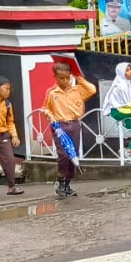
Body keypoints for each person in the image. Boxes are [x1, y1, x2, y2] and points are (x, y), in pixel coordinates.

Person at [42, 61, 97, 197]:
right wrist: (50, 115)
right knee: (63, 155)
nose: (65, 81)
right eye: (61, 78)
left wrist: (79, 77)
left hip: (74, 124)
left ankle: (67, 184)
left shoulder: (77, 90)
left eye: (67, 77)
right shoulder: (52, 92)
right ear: (55, 77)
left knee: (73, 154)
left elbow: (92, 90)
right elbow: (45, 108)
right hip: (60, 126)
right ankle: (60, 181)